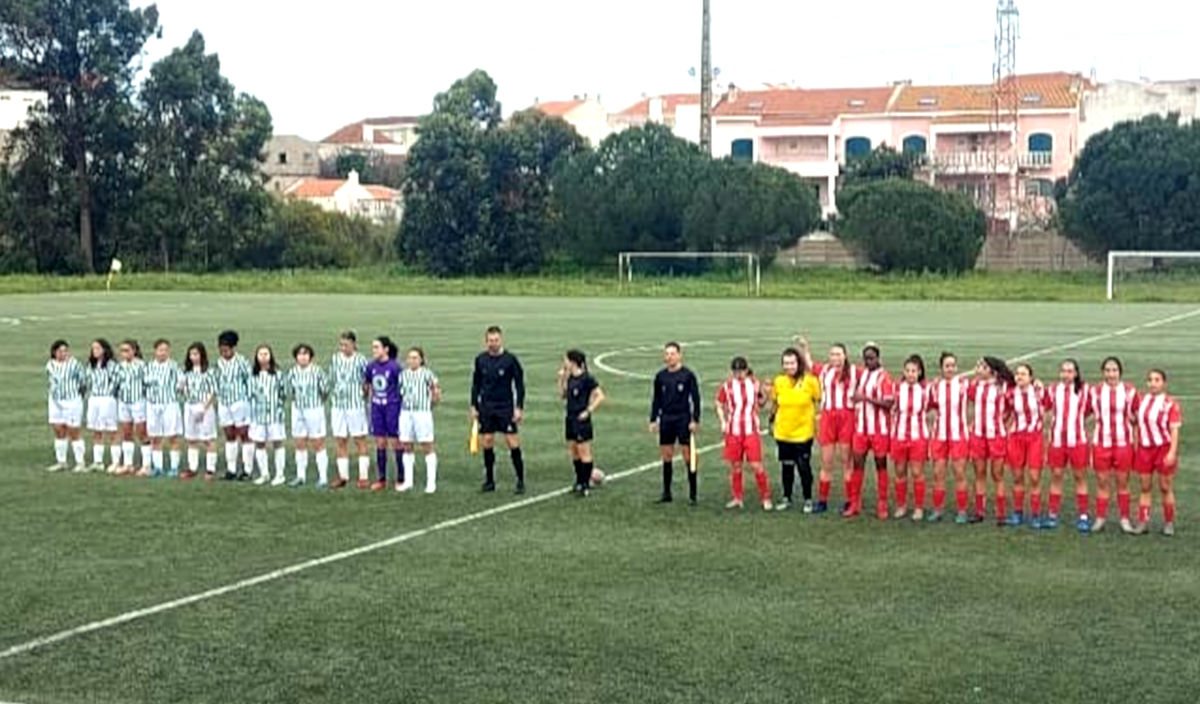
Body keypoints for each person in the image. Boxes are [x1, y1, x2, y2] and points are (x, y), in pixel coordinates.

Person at [471, 326, 527, 494]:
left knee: (512, 442)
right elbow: (476, 384)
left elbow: (519, 385)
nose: (493, 343)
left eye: (496, 340)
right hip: (486, 407)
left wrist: (519, 407)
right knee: (487, 441)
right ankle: (489, 481)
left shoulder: (510, 360)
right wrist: (474, 405)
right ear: (486, 341)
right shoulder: (480, 359)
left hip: (505, 406)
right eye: (490, 340)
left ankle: (520, 480)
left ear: (501, 340)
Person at [804, 341, 857, 513]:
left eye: (838, 354)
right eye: (832, 354)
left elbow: (874, 375)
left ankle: (850, 500)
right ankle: (822, 500)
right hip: (828, 418)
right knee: (826, 462)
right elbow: (809, 364)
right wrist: (805, 348)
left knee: (846, 462)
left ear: (845, 356)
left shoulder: (854, 371)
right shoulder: (824, 370)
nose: (835, 357)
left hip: (846, 417)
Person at [766, 349, 820, 512]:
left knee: (804, 467)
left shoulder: (810, 381)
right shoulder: (779, 381)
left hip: (803, 434)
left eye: (792, 363)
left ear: (799, 363)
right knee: (786, 466)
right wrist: (770, 421)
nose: (789, 366)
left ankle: (808, 499)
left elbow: (821, 400)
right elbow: (775, 403)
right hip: (783, 432)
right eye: (786, 363)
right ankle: (786, 497)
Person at [649, 342, 702, 505]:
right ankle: (666, 493)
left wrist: (695, 419)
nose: (669, 357)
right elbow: (656, 399)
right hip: (666, 419)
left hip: (683, 418)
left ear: (679, 355)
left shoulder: (688, 375)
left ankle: (693, 494)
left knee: (688, 455)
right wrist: (653, 419)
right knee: (666, 455)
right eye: (667, 354)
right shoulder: (660, 376)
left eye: (672, 353)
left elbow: (696, 399)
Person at [846, 344, 894, 520]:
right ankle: (854, 503)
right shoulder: (864, 374)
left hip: (879, 430)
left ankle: (882, 504)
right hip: (861, 429)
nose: (868, 361)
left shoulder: (884, 377)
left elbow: (889, 403)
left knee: (880, 465)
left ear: (878, 358)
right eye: (866, 358)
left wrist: (866, 398)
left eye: (871, 358)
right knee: (857, 465)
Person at [1090, 356, 1138, 534]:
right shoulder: (1094, 391)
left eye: (1114, 370)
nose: (1111, 374)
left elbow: (1138, 415)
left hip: (1123, 443)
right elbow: (1082, 410)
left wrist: (1134, 420)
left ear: (1120, 372)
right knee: (1102, 482)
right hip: (1101, 443)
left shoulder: (1129, 391)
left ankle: (1124, 519)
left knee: (1122, 482)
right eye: (1108, 370)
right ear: (1103, 372)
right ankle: (1100, 518)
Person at [1043, 359, 1092, 532]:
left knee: (1080, 477)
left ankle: (1083, 515)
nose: (1066, 374)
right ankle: (1052, 514)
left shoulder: (1085, 390)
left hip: (1077, 441)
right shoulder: (1053, 389)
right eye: (1063, 371)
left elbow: (1090, 410)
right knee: (1056, 475)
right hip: (1057, 440)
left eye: (1070, 371)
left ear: (1076, 373)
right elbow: (1045, 406)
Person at [1132, 369, 1182, 536]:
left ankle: (1169, 523)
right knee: (1145, 487)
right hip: (1144, 449)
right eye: (1150, 380)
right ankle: (1143, 522)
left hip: (1163, 448)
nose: (1153, 383)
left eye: (1157, 380)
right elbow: (1135, 421)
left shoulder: (1170, 404)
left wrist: (1172, 452)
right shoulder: (1142, 400)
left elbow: (1174, 430)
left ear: (1163, 383)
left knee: (1165, 487)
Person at [717, 357, 770, 511]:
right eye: (736, 371)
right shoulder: (727, 386)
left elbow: (761, 403)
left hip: (750, 430)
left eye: (741, 371)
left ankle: (765, 497)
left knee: (756, 465)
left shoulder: (754, 384)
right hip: (733, 431)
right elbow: (719, 403)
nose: (738, 374)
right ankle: (737, 497)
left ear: (747, 371)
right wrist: (723, 421)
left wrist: (766, 393)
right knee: (736, 465)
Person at [968, 356, 1013, 525]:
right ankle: (979, 511)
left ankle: (1001, 513)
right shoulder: (974, 386)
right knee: (979, 473)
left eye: (982, 367)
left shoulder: (1004, 387)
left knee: (997, 474)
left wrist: (1003, 422)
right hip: (978, 435)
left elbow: (1011, 407)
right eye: (978, 366)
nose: (978, 369)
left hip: (996, 436)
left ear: (992, 371)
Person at [928, 352, 971, 524]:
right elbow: (926, 403)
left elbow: (988, 387)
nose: (950, 369)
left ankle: (962, 511)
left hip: (958, 435)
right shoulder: (934, 386)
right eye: (947, 366)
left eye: (953, 365)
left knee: (959, 473)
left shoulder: (964, 385)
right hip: (939, 436)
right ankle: (938, 509)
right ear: (941, 368)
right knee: (938, 474)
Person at [559, 349, 605, 497]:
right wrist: (561, 379)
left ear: (573, 362)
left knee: (584, 452)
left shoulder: (586, 378)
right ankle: (579, 481)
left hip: (581, 420)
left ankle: (585, 484)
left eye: (566, 360)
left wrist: (588, 411)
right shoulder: (570, 378)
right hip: (570, 418)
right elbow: (563, 395)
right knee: (574, 452)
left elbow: (600, 396)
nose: (564, 363)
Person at [329, 331, 371, 489]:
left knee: (359, 439)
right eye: (341, 345)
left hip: (355, 405)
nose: (343, 348)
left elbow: (367, 383)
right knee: (340, 440)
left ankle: (363, 477)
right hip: (338, 405)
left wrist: (363, 396)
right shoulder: (335, 359)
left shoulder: (361, 360)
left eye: (346, 345)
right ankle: (343, 476)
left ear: (353, 344)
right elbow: (332, 379)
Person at [1006, 363, 1046, 527]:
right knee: (1017, 477)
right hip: (1016, 438)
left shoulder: (1039, 391)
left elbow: (1050, 405)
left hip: (1034, 438)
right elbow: (1005, 412)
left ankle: (1036, 514)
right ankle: (1017, 512)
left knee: (1034, 477)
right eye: (1017, 374)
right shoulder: (1010, 394)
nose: (1020, 376)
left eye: (1023, 374)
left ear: (1031, 377)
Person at [891, 355, 930, 522]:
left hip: (918, 437)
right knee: (900, 472)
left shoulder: (926, 390)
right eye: (907, 370)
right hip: (899, 436)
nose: (910, 374)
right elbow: (891, 408)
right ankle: (901, 506)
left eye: (914, 371)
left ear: (919, 372)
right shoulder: (896, 388)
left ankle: (919, 508)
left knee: (917, 473)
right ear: (903, 372)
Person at [286, 343, 330, 489]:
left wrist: (317, 403)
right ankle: (301, 476)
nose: (303, 357)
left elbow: (325, 391)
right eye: (300, 354)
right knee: (299, 442)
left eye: (305, 354)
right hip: (298, 410)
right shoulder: (292, 372)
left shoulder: (317, 371)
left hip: (314, 409)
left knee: (318, 442)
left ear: (310, 357)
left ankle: (323, 477)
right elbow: (290, 391)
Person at [399, 347, 442, 493]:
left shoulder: (427, 374)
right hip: (406, 412)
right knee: (407, 445)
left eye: (415, 358)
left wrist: (432, 404)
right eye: (410, 358)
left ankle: (431, 483)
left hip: (422, 413)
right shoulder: (403, 375)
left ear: (421, 360)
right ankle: (408, 481)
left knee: (426, 445)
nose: (412, 361)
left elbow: (436, 392)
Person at [367, 336, 403, 492]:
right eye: (373, 347)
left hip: (392, 408)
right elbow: (368, 385)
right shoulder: (371, 366)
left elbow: (402, 387)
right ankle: (381, 479)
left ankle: (401, 478)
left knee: (396, 442)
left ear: (386, 349)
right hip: (377, 408)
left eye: (377, 347)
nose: (374, 350)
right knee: (380, 442)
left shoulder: (395, 367)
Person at [216, 331, 254, 481]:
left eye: (226, 350)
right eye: (221, 350)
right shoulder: (219, 363)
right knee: (229, 435)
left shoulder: (242, 362)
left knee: (244, 434)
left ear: (233, 348)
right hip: (224, 402)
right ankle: (231, 469)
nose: (224, 353)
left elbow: (249, 380)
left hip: (239, 401)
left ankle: (247, 469)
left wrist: (248, 400)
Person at [248, 344, 287, 486]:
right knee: (259, 443)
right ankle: (264, 473)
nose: (263, 357)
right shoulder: (253, 375)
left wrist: (279, 409)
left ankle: (280, 474)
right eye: (260, 354)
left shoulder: (278, 374)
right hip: (258, 416)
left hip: (274, 415)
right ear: (256, 357)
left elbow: (283, 393)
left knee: (277, 443)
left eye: (266, 354)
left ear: (270, 356)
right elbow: (250, 394)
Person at [45, 340, 86, 472]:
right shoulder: (50, 365)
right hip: (55, 401)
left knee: (74, 431)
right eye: (60, 351)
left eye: (65, 351)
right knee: (58, 430)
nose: (63, 353)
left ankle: (80, 463)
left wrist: (77, 397)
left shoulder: (74, 364)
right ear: (54, 352)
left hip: (72, 400)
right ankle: (61, 462)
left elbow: (83, 382)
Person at [144, 339, 183, 479]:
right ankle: (158, 467)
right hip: (153, 405)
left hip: (169, 404)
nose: (163, 353)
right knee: (155, 437)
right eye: (160, 350)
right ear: (155, 351)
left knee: (172, 436)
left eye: (166, 350)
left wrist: (180, 388)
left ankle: (174, 467)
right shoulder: (149, 367)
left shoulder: (173, 366)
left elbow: (181, 382)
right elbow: (144, 383)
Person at [180, 342, 219, 481]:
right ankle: (192, 468)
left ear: (202, 355)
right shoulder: (186, 372)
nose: (193, 357)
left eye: (196, 354)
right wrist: (181, 388)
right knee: (192, 438)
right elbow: (182, 391)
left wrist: (204, 407)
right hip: (190, 406)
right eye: (191, 354)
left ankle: (210, 469)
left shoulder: (209, 372)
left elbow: (213, 391)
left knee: (208, 438)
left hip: (204, 406)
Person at [84, 339, 120, 473]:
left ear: (104, 350)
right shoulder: (91, 365)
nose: (95, 351)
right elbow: (87, 380)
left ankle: (115, 462)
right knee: (96, 430)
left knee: (111, 430)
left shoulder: (111, 365)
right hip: (94, 399)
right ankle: (98, 461)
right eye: (93, 348)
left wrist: (109, 393)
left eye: (98, 348)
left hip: (107, 399)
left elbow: (116, 381)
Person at [114, 340, 149, 477]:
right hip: (124, 402)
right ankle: (128, 464)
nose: (124, 353)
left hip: (138, 402)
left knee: (141, 432)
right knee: (126, 432)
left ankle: (146, 465)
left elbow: (147, 384)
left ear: (134, 351)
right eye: (122, 350)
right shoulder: (120, 366)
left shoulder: (142, 366)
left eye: (127, 350)